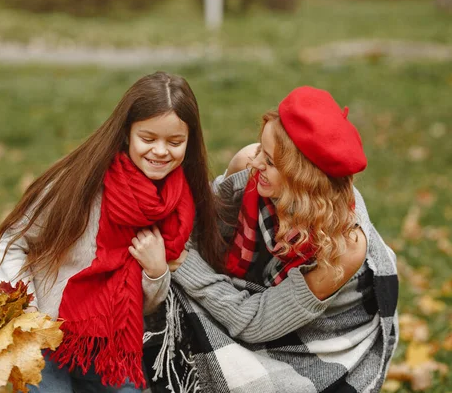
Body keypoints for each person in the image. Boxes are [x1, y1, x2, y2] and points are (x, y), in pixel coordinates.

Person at [144, 86, 399, 393]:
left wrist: (180, 262)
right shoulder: (251, 165)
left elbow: (258, 322)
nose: (255, 163)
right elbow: (200, 233)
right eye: (261, 151)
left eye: (271, 162)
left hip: (321, 340)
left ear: (303, 179)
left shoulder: (344, 247)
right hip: (251, 299)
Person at [0, 71, 223, 392]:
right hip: (45, 332)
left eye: (175, 142)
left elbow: (145, 306)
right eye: (148, 139)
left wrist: (155, 272)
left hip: (114, 344)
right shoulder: (79, 185)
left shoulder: (179, 205)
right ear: (126, 133)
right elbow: (13, 242)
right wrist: (28, 311)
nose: (161, 151)